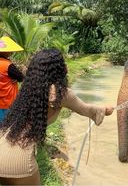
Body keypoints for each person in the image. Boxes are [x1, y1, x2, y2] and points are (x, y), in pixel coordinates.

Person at [0, 48, 114, 185]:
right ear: (60, 69)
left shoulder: (28, 89)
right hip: (19, 160)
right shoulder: (61, 94)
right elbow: (88, 110)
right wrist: (105, 109)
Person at [0, 36, 24, 121]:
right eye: (10, 51)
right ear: (4, 52)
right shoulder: (7, 65)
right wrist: (16, 78)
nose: (11, 52)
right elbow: (21, 77)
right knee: (7, 125)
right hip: (7, 102)